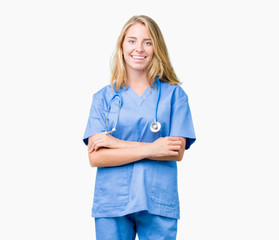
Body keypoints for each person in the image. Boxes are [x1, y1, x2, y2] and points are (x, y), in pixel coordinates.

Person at [83, 15, 196, 240]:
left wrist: (115, 144)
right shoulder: (103, 98)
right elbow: (96, 158)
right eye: (132, 41)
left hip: (157, 199)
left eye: (148, 42)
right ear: (122, 47)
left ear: (156, 48)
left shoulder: (174, 95)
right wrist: (152, 149)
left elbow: (175, 151)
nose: (139, 49)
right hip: (113, 200)